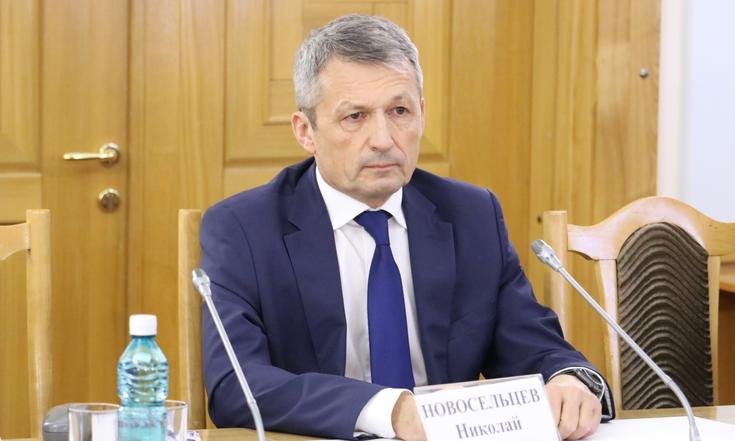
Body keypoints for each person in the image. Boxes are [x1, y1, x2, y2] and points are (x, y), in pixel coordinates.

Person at [200, 14, 614, 441]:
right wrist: (392, 411)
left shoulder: (471, 215)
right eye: (355, 116)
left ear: (422, 115)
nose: (383, 139)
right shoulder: (243, 229)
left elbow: (532, 346)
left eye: (399, 111)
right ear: (306, 131)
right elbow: (235, 385)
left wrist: (568, 380)